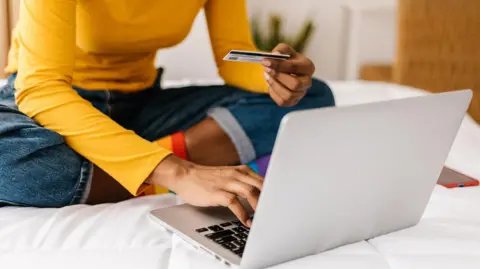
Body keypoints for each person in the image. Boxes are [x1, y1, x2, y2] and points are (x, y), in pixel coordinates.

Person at [0, 0, 334, 227]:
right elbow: (41, 89)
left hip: (141, 104)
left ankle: (122, 167)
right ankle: (152, 170)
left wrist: (273, 74)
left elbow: (231, 58)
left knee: (313, 95)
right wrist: (179, 173)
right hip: (50, 104)